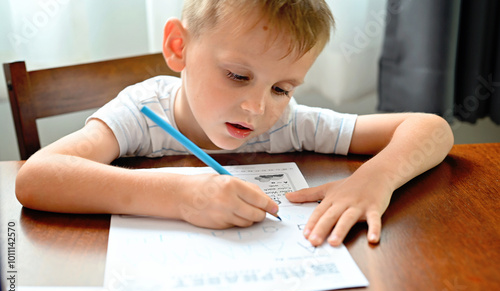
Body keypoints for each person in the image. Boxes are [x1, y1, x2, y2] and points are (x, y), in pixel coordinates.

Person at [15, 0, 454, 247]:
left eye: (282, 88)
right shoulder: (140, 113)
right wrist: (180, 195)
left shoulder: (289, 123)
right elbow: (36, 178)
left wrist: (373, 180)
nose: (258, 108)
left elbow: (431, 129)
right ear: (177, 47)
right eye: (238, 76)